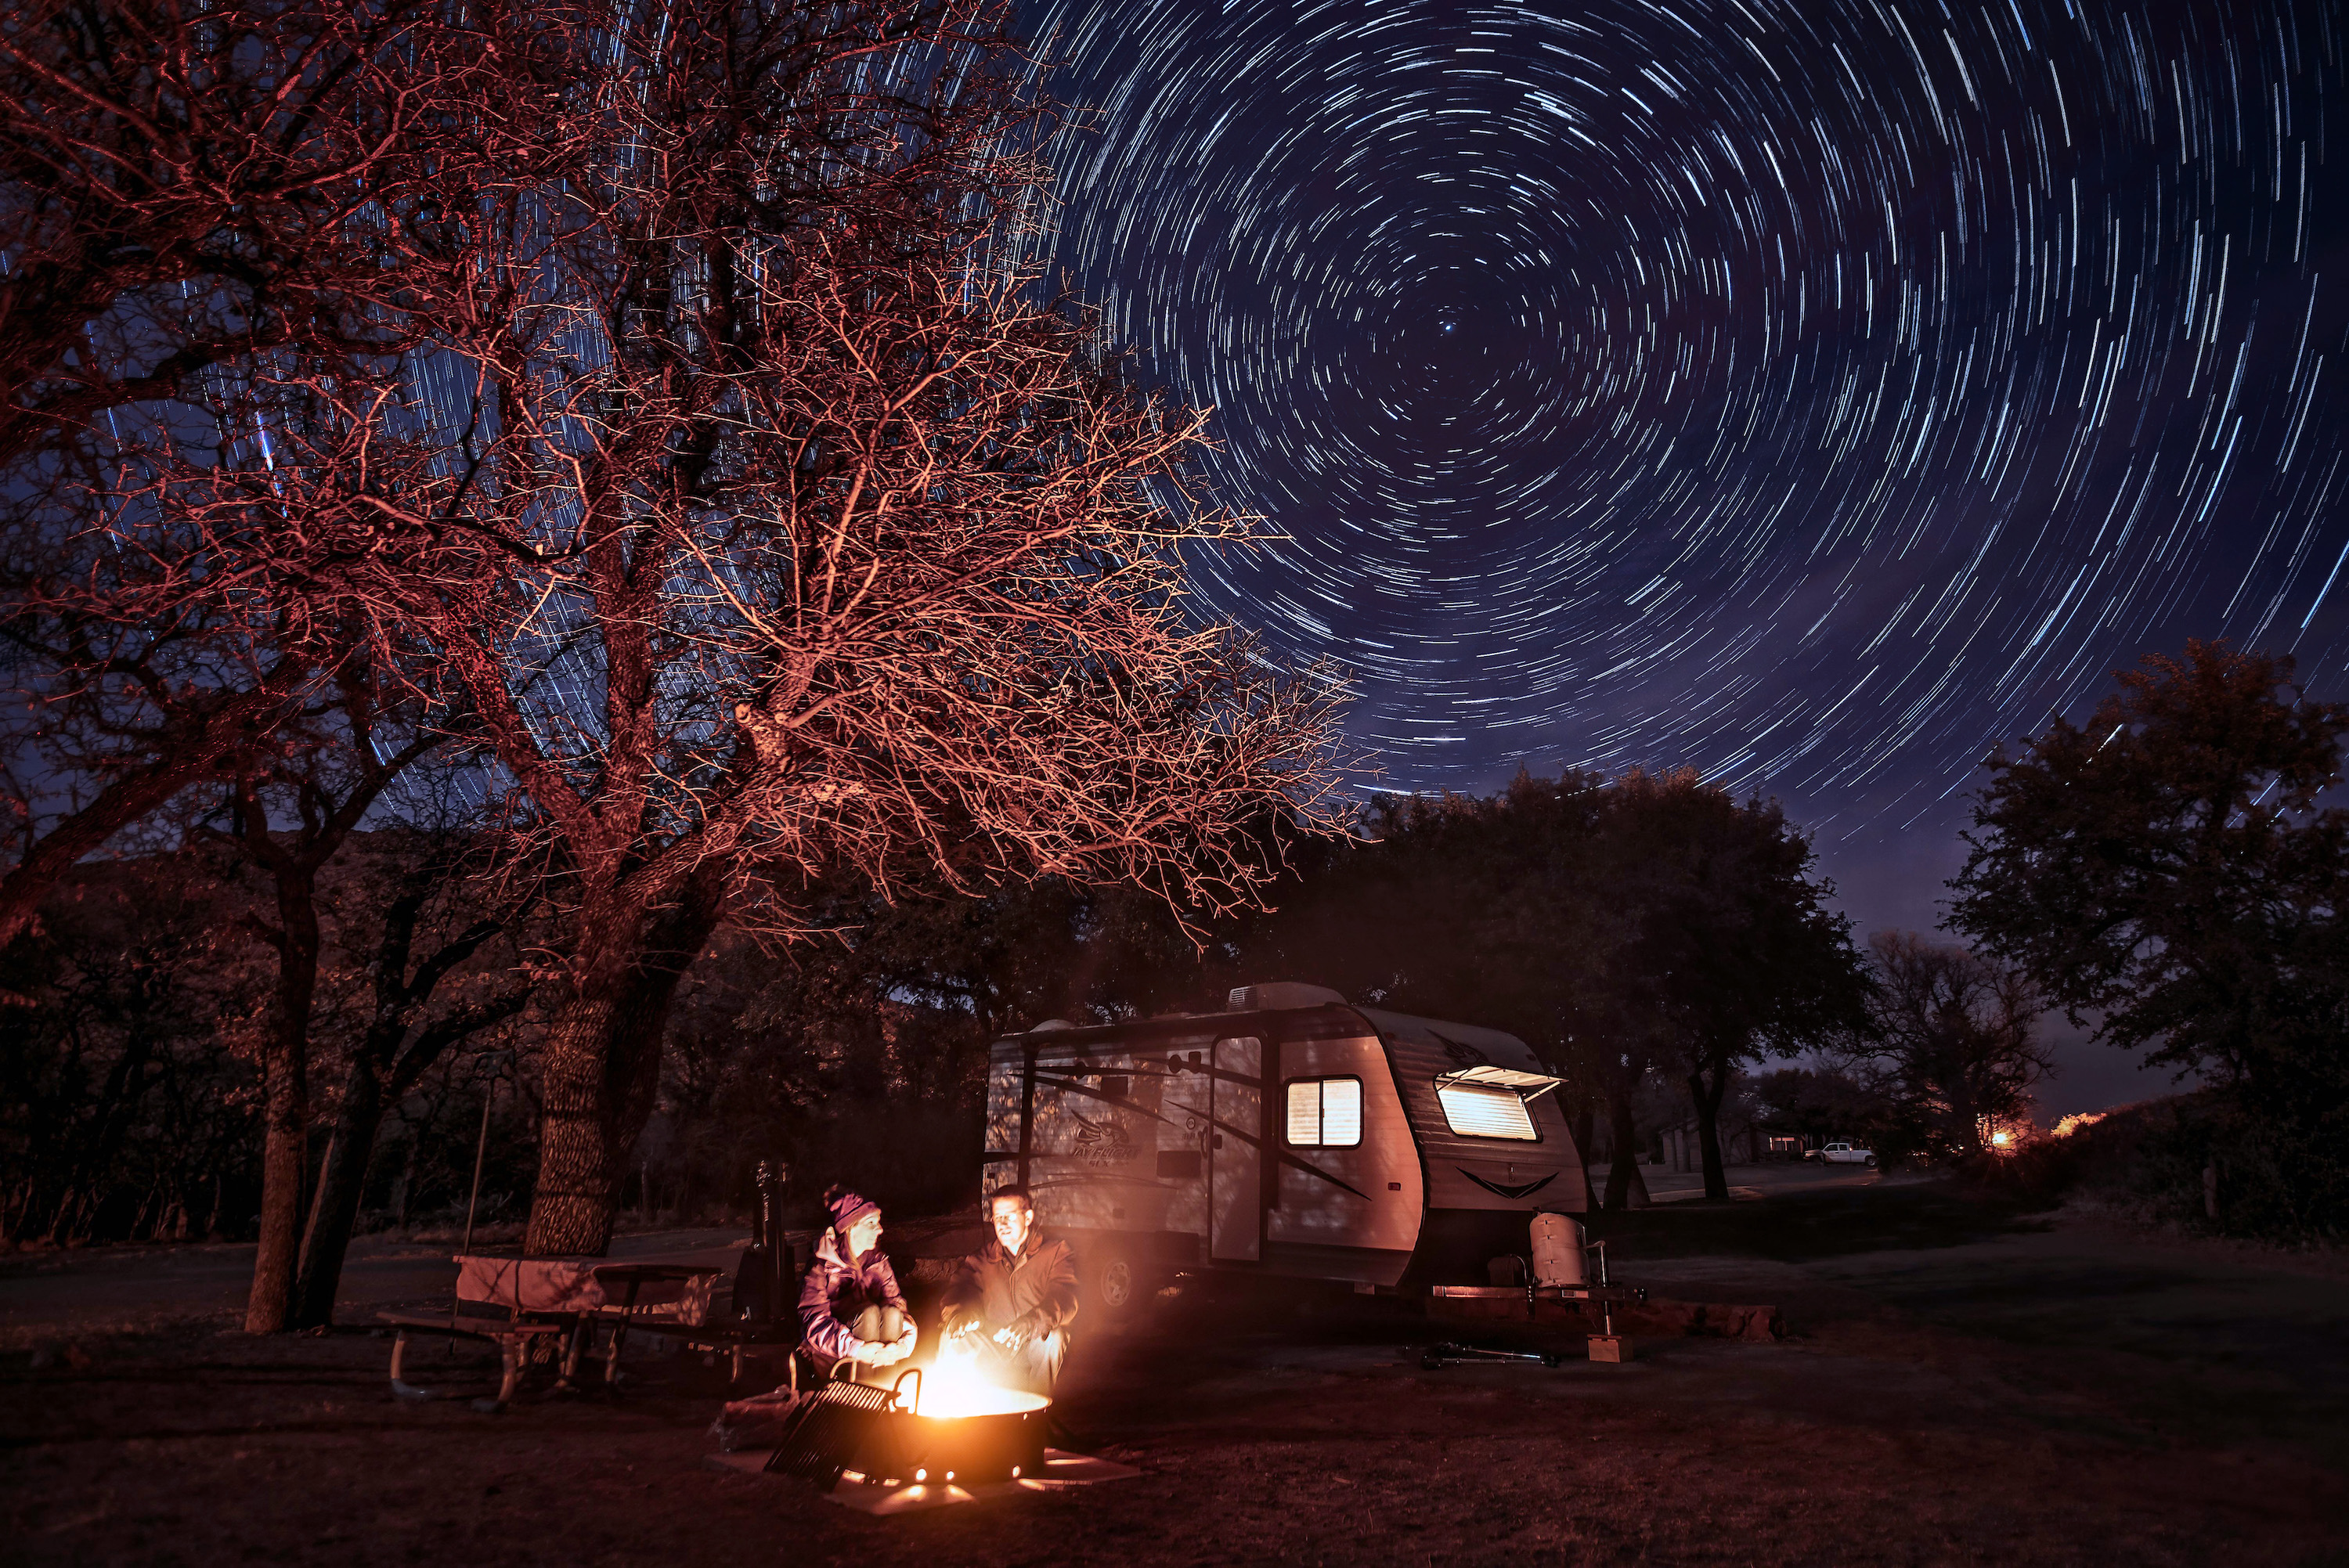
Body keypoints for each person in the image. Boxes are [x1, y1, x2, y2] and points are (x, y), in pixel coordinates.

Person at [939, 1184, 1078, 1397]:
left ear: (1028, 1217)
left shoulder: (1055, 1252)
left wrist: (1030, 1323)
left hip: (1032, 1342)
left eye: (1009, 1217)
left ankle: (1035, 1412)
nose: (1002, 1225)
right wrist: (960, 1314)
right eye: (997, 1217)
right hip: (994, 1343)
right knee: (952, 1336)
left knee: (1053, 1338)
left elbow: (1064, 1297)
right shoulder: (982, 1259)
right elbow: (961, 1289)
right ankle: (952, 1412)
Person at [797, 1186, 916, 1384]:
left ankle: (885, 1393)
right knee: (868, 1313)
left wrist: (903, 1346)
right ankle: (859, 1400)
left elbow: (898, 1308)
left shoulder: (878, 1263)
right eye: (871, 1223)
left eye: (878, 1223)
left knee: (892, 1314)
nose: (880, 1229)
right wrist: (856, 1348)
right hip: (832, 1359)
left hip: (871, 1354)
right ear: (851, 1228)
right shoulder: (821, 1266)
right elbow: (815, 1324)